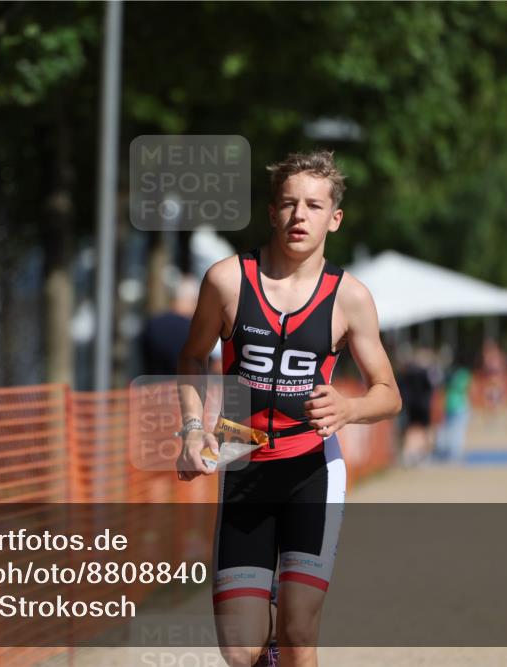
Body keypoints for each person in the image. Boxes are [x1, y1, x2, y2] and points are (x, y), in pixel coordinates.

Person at [175, 150, 401, 667]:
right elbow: (192, 355)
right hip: (244, 467)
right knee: (240, 651)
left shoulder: (351, 298)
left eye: (315, 206)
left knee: (298, 630)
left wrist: (348, 408)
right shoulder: (227, 280)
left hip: (312, 471)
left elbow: (388, 392)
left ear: (334, 218)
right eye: (289, 203)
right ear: (272, 211)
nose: (301, 216)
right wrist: (192, 428)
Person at [434, 355, 473, 462]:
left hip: (454, 406)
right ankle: (453, 453)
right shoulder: (463, 374)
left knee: (452, 431)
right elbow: (468, 389)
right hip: (457, 406)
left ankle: (452, 453)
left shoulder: (452, 374)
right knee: (455, 431)